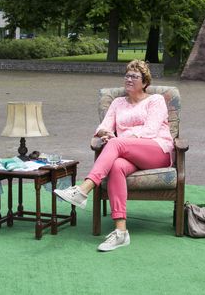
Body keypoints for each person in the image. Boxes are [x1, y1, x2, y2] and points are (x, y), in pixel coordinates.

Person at [54, 60, 174, 251]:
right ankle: (121, 232)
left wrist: (118, 139)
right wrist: (106, 134)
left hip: (157, 150)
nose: (129, 79)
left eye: (134, 76)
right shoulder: (118, 103)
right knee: (117, 165)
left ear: (144, 82)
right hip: (128, 152)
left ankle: (83, 190)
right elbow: (103, 126)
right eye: (127, 75)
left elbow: (151, 131)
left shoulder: (155, 100)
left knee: (116, 143)